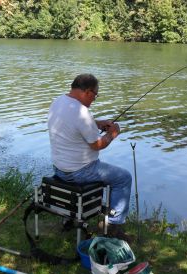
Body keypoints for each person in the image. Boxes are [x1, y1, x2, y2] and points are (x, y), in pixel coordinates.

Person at [47, 73, 133, 241]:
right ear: (87, 92)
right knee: (123, 178)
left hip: (59, 168)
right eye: (95, 95)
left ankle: (69, 218)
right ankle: (112, 226)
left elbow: (74, 124)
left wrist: (97, 123)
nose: (94, 99)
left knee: (115, 175)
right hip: (80, 171)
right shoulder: (82, 112)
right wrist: (112, 134)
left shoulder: (58, 102)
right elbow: (98, 145)